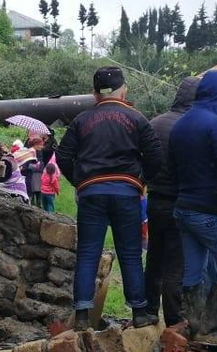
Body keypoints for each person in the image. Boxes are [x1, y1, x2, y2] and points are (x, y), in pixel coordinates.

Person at [57, 67, 164, 330]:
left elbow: (62, 156)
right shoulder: (137, 119)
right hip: (126, 194)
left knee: (87, 254)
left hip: (92, 194)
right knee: (130, 253)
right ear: (123, 90)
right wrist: (141, 181)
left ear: (95, 94)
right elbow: (155, 157)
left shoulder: (81, 120)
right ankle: (139, 313)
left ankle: (82, 316)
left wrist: (79, 181)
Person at [168, 70, 217, 347]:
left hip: (183, 208)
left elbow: (173, 169)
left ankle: (195, 325)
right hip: (210, 211)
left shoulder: (181, 125)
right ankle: (210, 329)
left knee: (194, 270)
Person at [144, 77, 200, 327]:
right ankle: (174, 320)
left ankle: (148, 312)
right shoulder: (192, 126)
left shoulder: (154, 123)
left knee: (154, 257)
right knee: (176, 264)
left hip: (155, 199)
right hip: (181, 202)